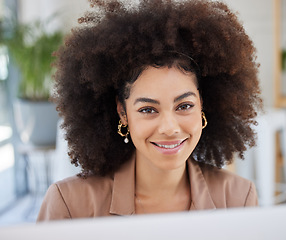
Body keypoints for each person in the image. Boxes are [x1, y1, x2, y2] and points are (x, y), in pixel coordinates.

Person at [37, 0, 262, 221]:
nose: (169, 128)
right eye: (147, 109)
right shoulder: (69, 205)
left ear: (203, 104)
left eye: (184, 106)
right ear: (122, 112)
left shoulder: (238, 199)